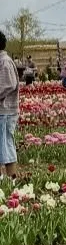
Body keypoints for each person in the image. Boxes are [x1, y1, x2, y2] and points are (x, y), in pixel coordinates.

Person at [0, 32, 19, 181]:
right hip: (2, 111)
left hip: (5, 111)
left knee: (5, 145)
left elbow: (8, 85)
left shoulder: (4, 61)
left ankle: (12, 179)